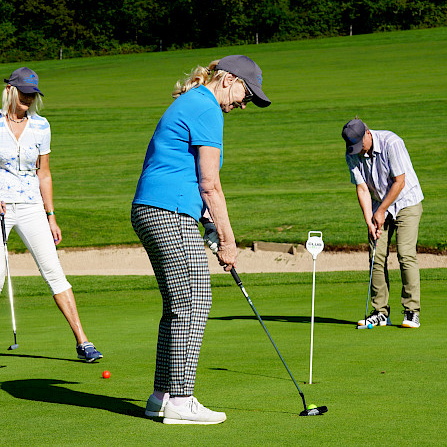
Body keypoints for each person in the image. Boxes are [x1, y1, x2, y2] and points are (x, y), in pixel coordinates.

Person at [131, 55, 271, 424]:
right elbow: (210, 184)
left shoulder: (191, 101)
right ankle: (181, 401)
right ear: (228, 80)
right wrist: (227, 240)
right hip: (169, 211)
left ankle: (161, 396)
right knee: (195, 300)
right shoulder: (207, 107)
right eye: (246, 94)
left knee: (178, 305)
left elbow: (184, 171)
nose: (245, 104)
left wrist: (206, 221)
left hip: (153, 208)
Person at [0, 67, 102, 361]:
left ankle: (83, 342)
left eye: (33, 94)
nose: (29, 99)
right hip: (2, 207)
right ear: (10, 91)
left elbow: (43, 173)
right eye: (24, 93)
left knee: (54, 273)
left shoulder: (41, 126)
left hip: (32, 206)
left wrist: (51, 215)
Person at [342, 118, 424, 328]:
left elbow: (400, 182)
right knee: (376, 257)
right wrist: (369, 220)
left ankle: (412, 311)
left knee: (405, 254)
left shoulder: (391, 143)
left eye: (360, 145)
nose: (359, 151)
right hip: (379, 204)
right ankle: (380, 312)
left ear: (368, 133)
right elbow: (362, 188)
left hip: (406, 202)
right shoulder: (352, 153)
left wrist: (380, 211)